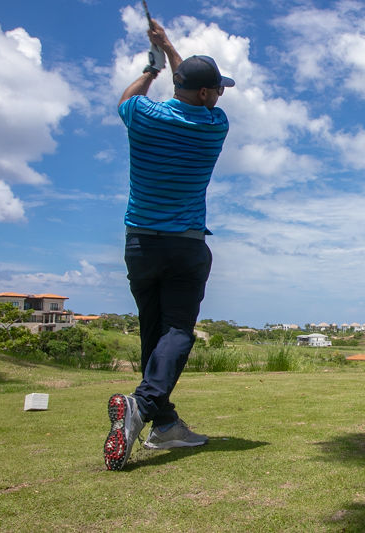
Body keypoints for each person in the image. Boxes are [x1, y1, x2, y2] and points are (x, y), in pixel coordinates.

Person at [103, 19, 234, 471]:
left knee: (152, 332)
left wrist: (153, 65)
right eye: (216, 88)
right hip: (185, 245)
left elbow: (127, 99)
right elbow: (195, 88)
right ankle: (143, 406)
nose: (219, 95)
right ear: (204, 95)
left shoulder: (143, 116)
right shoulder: (214, 126)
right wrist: (171, 50)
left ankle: (164, 424)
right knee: (177, 331)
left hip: (139, 243)